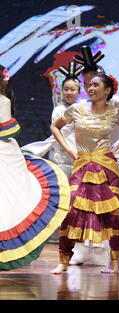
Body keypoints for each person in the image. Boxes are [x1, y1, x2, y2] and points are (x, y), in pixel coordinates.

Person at [50, 73, 119, 274]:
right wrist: (68, 149)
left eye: (95, 85)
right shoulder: (78, 109)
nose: (90, 88)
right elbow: (55, 127)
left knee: (111, 214)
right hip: (82, 165)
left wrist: (117, 144)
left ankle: (114, 261)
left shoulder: (115, 113)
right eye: (89, 85)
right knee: (71, 209)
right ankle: (63, 260)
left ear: (107, 90)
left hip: (106, 166)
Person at [0, 64, 70, 270]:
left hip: (4, 152)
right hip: (6, 151)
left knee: (10, 199)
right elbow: (10, 128)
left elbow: (6, 129)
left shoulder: (3, 101)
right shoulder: (4, 100)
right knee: (12, 199)